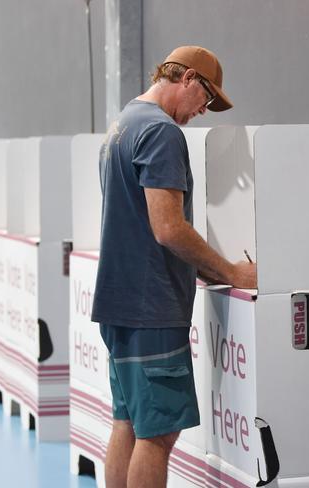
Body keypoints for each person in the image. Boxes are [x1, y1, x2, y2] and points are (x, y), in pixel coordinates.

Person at [91, 45, 256, 488]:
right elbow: (167, 228)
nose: (205, 109)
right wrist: (233, 273)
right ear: (186, 78)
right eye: (207, 97)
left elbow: (139, 226)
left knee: (127, 422)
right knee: (158, 435)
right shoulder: (161, 133)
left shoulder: (122, 125)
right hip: (151, 308)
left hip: (119, 302)